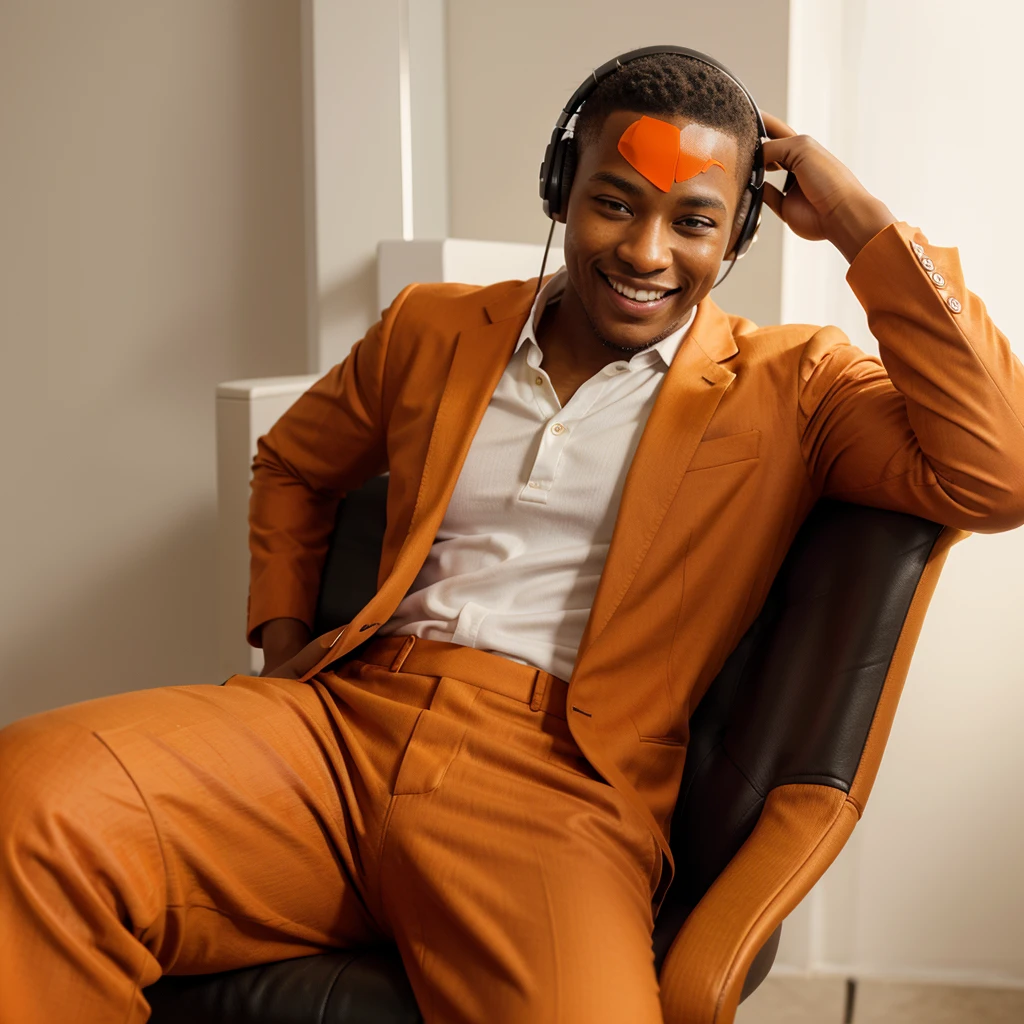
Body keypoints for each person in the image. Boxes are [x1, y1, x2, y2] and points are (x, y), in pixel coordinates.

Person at [2, 48, 1023, 1024]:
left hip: (561, 783)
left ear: (737, 238)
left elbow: (998, 469)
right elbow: (296, 463)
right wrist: (280, 647)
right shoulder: (433, 327)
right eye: (614, 201)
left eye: (693, 220)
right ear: (561, 190)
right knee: (34, 801)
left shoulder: (793, 381)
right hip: (337, 727)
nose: (645, 251)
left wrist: (859, 224)